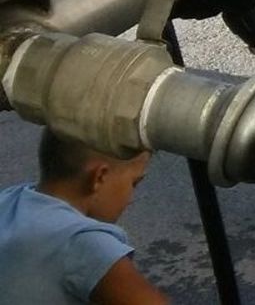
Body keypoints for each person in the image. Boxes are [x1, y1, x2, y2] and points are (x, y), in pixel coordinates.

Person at [0, 129, 166, 304]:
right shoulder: (84, 244)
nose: (131, 199)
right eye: (134, 183)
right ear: (99, 177)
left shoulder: (8, 200)